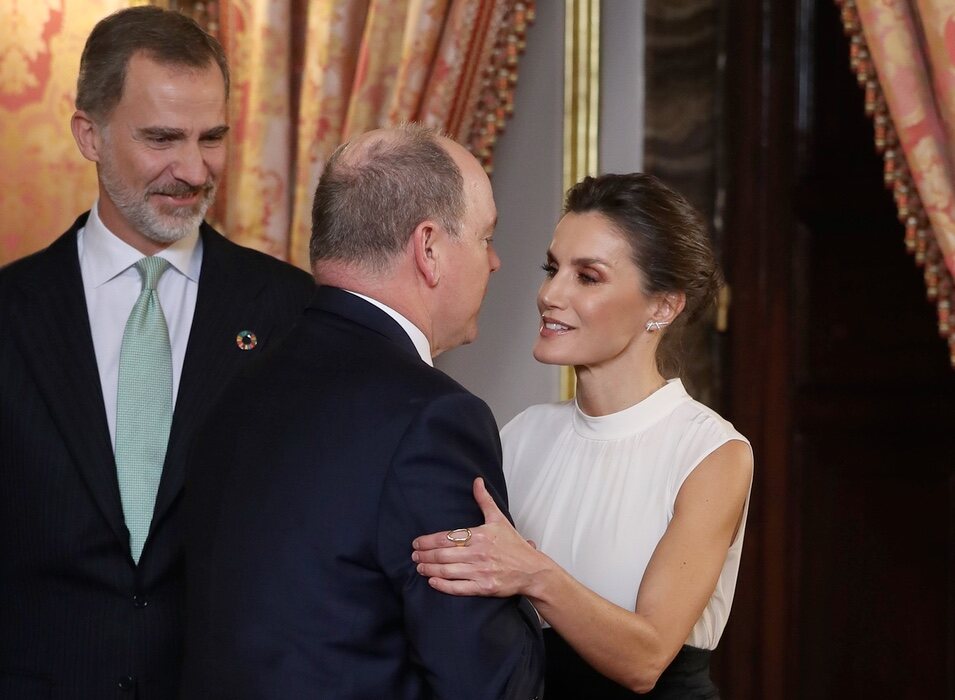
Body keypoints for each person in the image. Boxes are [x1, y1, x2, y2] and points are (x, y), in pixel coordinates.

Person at [0, 7, 314, 698]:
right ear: (90, 133)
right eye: (162, 138)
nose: (193, 169)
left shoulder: (291, 312)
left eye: (213, 138)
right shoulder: (10, 314)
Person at [180, 124, 544, 700]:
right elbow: (488, 683)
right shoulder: (434, 419)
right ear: (428, 249)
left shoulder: (236, 386)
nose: (496, 263)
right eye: (485, 237)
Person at [412, 173, 754, 698]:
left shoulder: (711, 452)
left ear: (662, 307)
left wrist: (532, 574)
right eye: (552, 269)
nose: (550, 294)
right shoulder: (523, 434)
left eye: (587, 277)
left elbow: (646, 659)